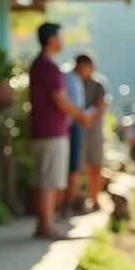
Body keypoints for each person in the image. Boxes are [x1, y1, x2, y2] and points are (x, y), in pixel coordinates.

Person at [27, 23, 92, 240]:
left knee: (45, 178)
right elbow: (61, 101)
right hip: (51, 131)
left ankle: (45, 224)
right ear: (51, 39)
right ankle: (46, 226)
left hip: (44, 129)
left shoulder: (40, 64)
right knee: (49, 180)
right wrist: (81, 115)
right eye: (60, 36)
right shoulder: (49, 66)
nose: (62, 41)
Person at [76, 55, 109, 212]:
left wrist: (91, 119)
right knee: (79, 165)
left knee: (96, 164)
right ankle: (79, 199)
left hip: (94, 129)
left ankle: (95, 197)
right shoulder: (74, 82)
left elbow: (102, 105)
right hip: (78, 126)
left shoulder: (98, 84)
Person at [61, 59, 87, 218]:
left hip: (74, 125)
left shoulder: (74, 79)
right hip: (72, 126)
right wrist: (83, 116)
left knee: (73, 167)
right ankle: (65, 206)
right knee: (71, 168)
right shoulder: (70, 78)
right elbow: (72, 105)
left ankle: (66, 206)